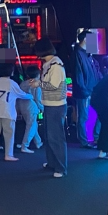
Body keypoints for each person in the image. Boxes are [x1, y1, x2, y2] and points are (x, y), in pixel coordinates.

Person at [33, 37, 68, 178]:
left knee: (56, 138)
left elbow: (53, 85)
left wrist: (38, 84)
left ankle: (61, 168)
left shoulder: (55, 65)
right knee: (49, 137)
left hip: (56, 105)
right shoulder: (49, 64)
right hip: (49, 104)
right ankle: (52, 163)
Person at [0, 64, 32, 161]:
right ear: (11, 72)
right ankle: (8, 155)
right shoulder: (12, 83)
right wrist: (31, 96)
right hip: (8, 112)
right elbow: (21, 94)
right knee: (9, 134)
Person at [72, 30, 101, 148]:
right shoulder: (78, 54)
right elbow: (78, 74)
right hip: (85, 91)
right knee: (83, 116)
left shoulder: (87, 54)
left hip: (91, 90)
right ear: (85, 40)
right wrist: (84, 90)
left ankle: (95, 137)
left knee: (95, 114)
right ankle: (84, 141)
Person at [17, 64, 43, 154]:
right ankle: (25, 145)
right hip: (32, 106)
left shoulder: (23, 83)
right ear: (38, 74)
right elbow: (38, 98)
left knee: (32, 125)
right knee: (31, 126)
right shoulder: (37, 84)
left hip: (22, 106)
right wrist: (42, 108)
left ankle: (38, 142)